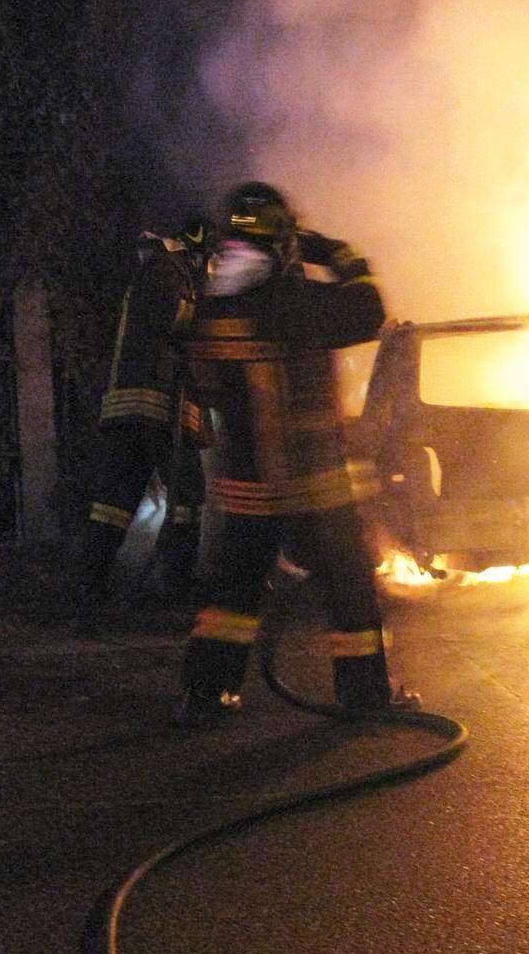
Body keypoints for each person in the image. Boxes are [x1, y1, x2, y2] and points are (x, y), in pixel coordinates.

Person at [175, 181, 412, 727]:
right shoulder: (300, 300)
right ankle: (365, 695)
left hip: (248, 486)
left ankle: (204, 695)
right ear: (284, 242)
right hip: (314, 481)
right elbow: (368, 310)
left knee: (233, 593)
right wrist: (342, 257)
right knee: (349, 588)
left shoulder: (211, 310)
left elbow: (205, 384)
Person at [77, 218, 212, 609]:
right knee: (185, 496)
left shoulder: (155, 269)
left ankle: (92, 584)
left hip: (138, 409)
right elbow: (175, 319)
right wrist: (211, 313)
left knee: (115, 501)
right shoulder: (165, 270)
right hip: (155, 407)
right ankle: (177, 585)